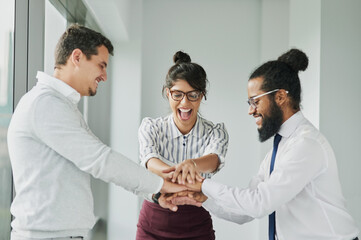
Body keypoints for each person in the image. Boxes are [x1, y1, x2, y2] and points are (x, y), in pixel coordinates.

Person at [7, 24, 184, 240]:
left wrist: (155, 192)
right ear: (77, 57)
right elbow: (100, 160)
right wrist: (159, 185)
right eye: (101, 65)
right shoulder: (46, 104)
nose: (104, 76)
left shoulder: (62, 106)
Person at [171, 49, 360, 240]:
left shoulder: (306, 144)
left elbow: (260, 203)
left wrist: (203, 184)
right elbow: (246, 211)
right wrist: (204, 200)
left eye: (255, 101)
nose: (250, 111)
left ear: (280, 97)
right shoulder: (280, 149)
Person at [135, 51, 229, 240]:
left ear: (202, 96)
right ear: (167, 93)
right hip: (154, 220)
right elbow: (150, 161)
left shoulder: (216, 131)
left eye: (192, 95)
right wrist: (180, 176)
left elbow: (214, 160)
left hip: (196, 222)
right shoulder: (150, 127)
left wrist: (192, 164)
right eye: (177, 94)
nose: (185, 102)